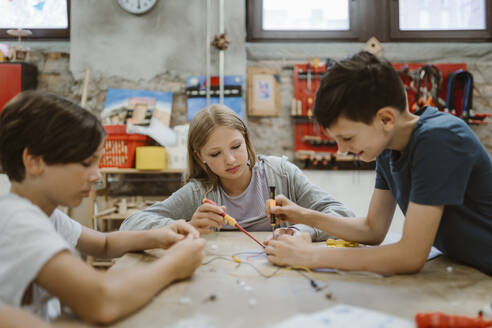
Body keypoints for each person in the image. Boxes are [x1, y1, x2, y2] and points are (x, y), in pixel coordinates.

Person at [265, 51, 492, 275]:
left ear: (386, 119)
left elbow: (410, 256)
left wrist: (308, 256)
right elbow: (372, 230)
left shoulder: (439, 140)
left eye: (347, 138)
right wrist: (302, 215)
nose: (341, 150)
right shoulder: (387, 148)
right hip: (471, 267)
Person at [0, 91, 205, 324]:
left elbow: (104, 244)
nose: (97, 176)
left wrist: (158, 236)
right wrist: (174, 265)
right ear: (34, 161)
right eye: (87, 163)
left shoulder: (45, 214)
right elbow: (102, 301)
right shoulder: (17, 222)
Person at [120, 104, 354, 242]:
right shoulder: (199, 192)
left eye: (236, 147)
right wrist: (186, 225)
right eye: (215, 154)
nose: (230, 160)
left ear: (246, 139)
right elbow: (130, 226)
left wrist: (302, 231)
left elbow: (344, 216)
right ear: (199, 156)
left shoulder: (281, 174)